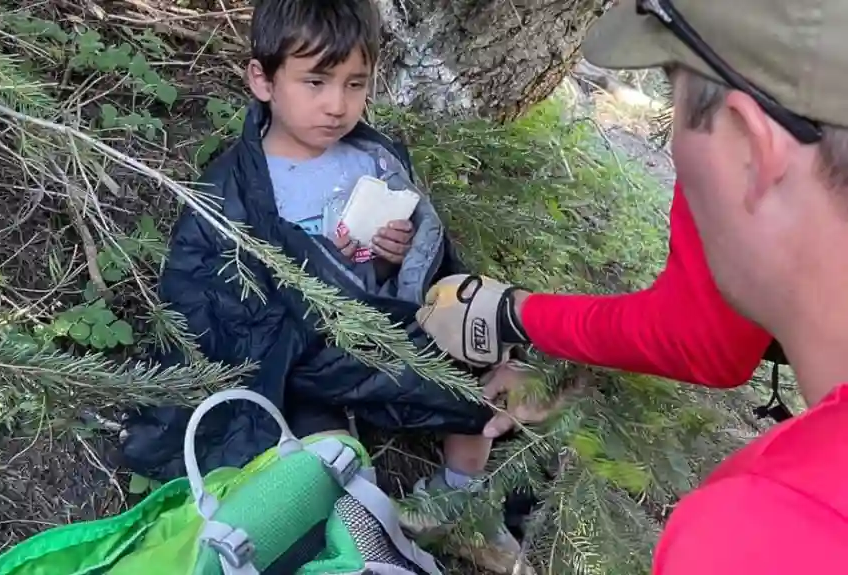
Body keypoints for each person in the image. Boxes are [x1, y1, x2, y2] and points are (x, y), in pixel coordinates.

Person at [425, 0, 848, 571]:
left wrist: (514, 313)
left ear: (752, 150)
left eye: (673, 93)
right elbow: (711, 334)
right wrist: (528, 326)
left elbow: (705, 335)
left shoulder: (765, 533)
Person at [118, 0, 529, 494]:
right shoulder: (241, 186)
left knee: (475, 370)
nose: (337, 105)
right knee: (321, 447)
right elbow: (206, 292)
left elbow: (425, 264)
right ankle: (362, 516)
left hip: (385, 324)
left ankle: (458, 497)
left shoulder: (370, 160)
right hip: (307, 347)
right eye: (316, 82)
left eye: (355, 84)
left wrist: (397, 254)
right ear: (263, 80)